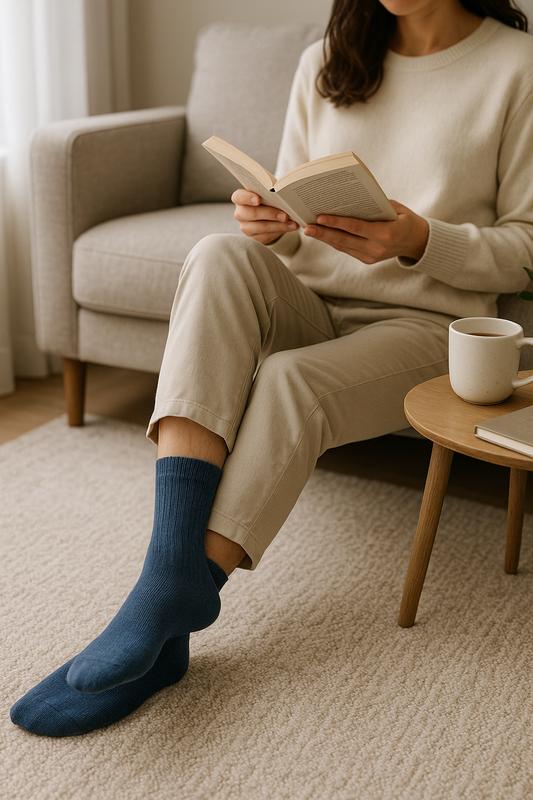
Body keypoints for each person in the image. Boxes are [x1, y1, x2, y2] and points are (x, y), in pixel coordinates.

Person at [11, 0, 533, 736]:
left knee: (293, 381)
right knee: (217, 255)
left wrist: (418, 238)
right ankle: (168, 588)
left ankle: (172, 605)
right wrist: (270, 231)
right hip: (315, 300)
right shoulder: (330, 58)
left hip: (426, 326)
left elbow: (525, 249)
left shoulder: (516, 66)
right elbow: (294, 223)